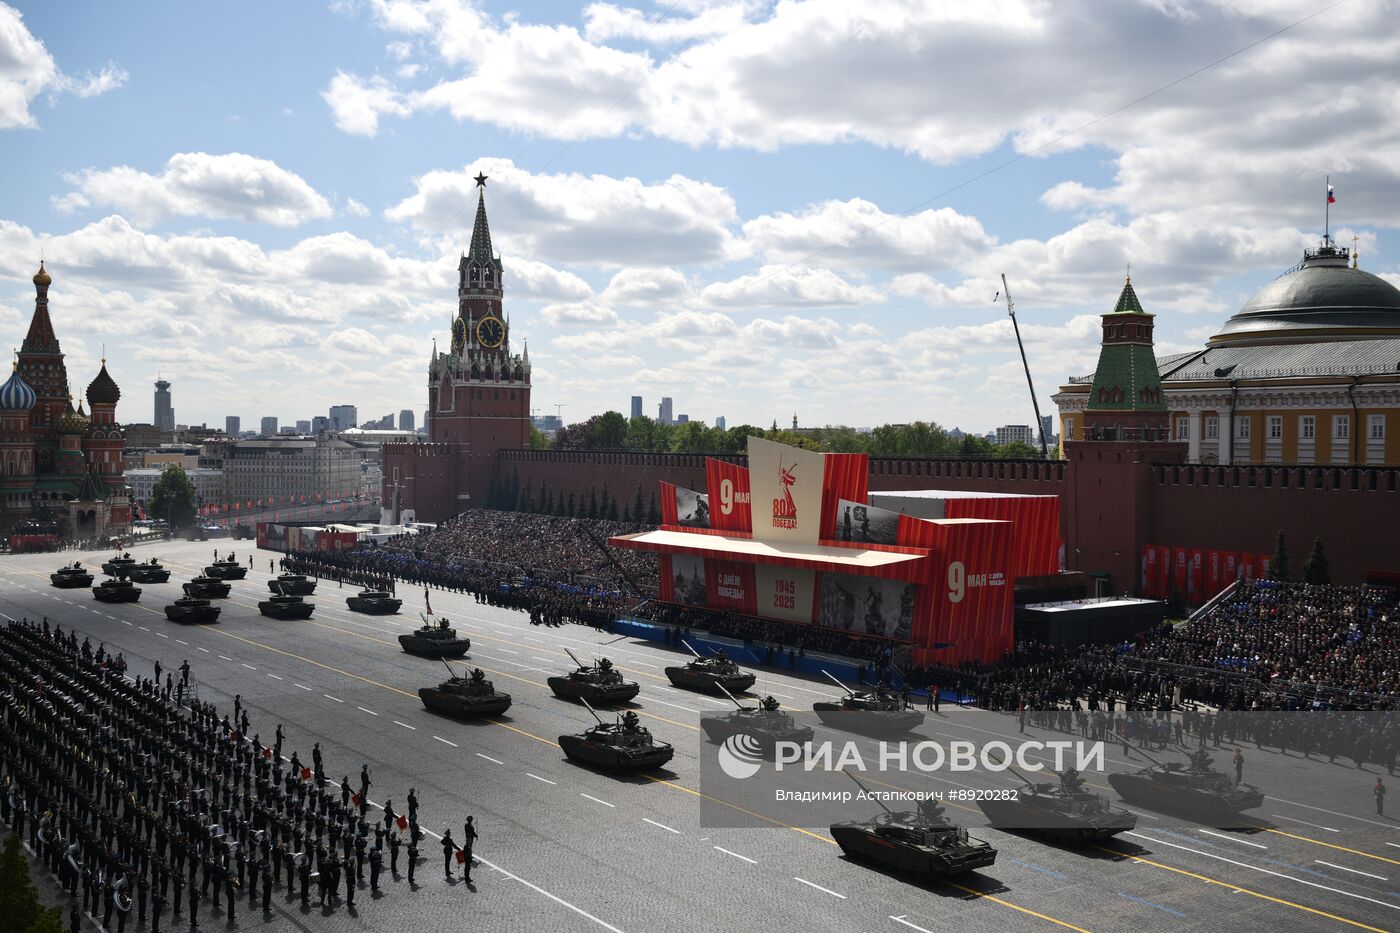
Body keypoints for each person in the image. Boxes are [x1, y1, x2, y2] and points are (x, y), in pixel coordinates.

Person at [461, 816, 478, 883]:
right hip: (469, 836)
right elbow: (468, 832)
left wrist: (475, 835)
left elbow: (473, 832)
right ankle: (467, 878)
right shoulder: (467, 825)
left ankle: (467, 878)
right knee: (469, 848)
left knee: (470, 847)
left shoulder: (470, 825)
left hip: (471, 837)